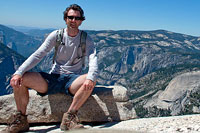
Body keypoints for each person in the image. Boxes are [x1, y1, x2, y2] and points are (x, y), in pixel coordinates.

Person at [3, 4, 98, 132]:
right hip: (53, 77)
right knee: (21, 80)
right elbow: (38, 55)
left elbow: (93, 59)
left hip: (73, 80)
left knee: (91, 79)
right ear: (65, 19)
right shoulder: (56, 35)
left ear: (81, 20)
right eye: (70, 17)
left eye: (77, 18)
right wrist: (18, 72)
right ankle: (21, 120)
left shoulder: (86, 39)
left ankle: (69, 118)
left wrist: (90, 78)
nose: (73, 21)